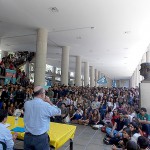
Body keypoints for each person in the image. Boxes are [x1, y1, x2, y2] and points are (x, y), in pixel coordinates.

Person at [24, 86, 61, 150]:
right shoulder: (45, 105)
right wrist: (49, 102)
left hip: (27, 136)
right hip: (40, 138)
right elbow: (58, 112)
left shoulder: (27, 104)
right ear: (42, 94)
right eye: (44, 93)